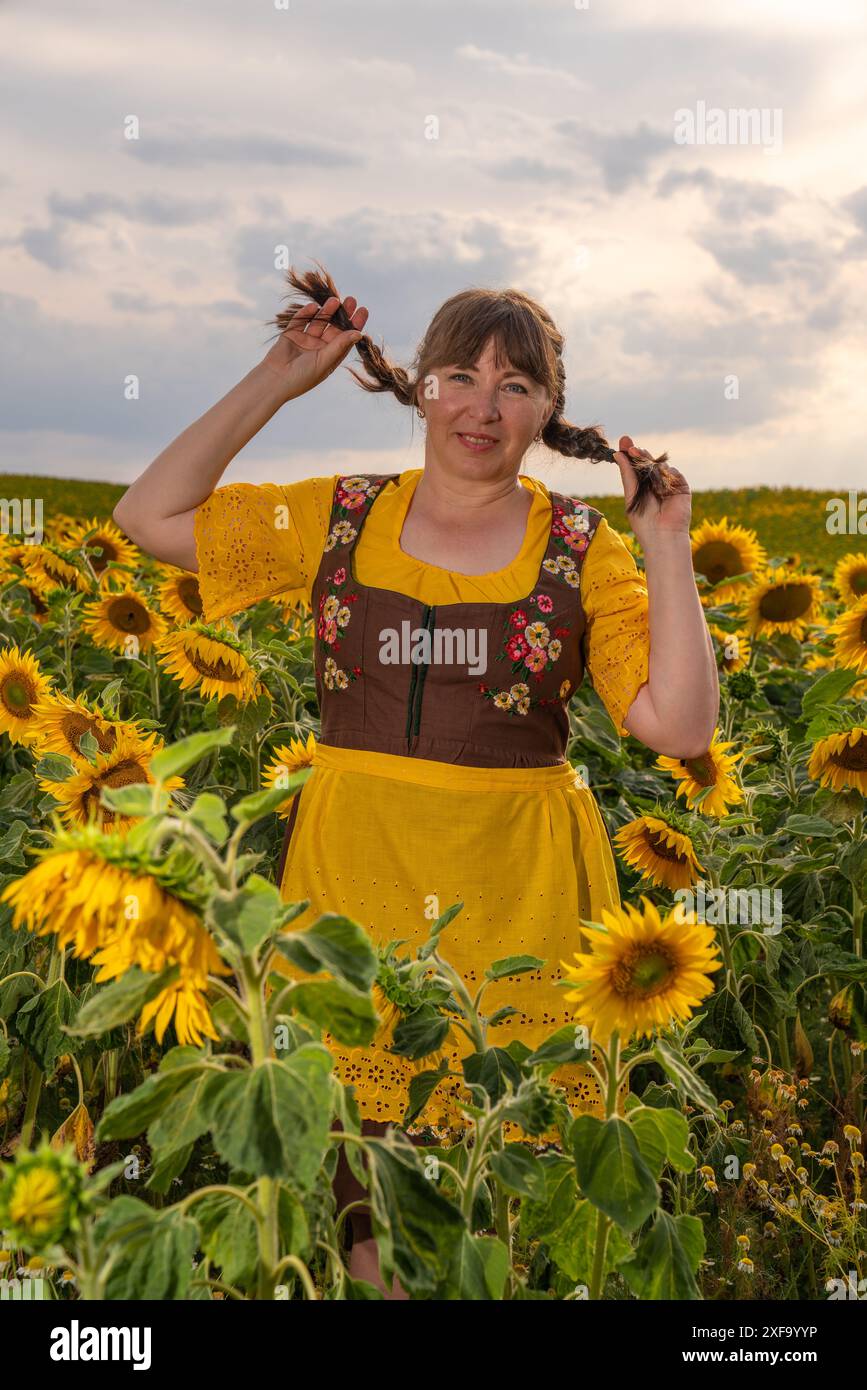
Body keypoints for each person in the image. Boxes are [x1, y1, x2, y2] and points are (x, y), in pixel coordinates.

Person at [113, 264, 719, 1298]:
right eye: (459, 376)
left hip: (519, 892)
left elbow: (679, 720)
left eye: (515, 385)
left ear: (546, 414)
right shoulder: (339, 517)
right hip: (354, 885)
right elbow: (149, 514)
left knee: (500, 1183)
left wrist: (667, 546)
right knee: (371, 1189)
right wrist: (280, 375)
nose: (483, 405)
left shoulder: (583, 550)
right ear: (419, 389)